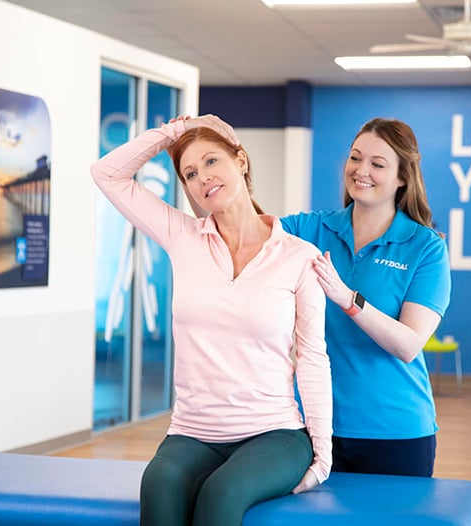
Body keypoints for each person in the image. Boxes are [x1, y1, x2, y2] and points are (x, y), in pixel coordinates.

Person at [90, 114, 332, 526]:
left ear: (241, 160)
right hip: (192, 431)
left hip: (273, 432)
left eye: (212, 161)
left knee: (221, 494)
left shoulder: (298, 256)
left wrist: (322, 450)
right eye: (190, 173)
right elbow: (107, 174)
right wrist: (170, 133)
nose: (202, 177)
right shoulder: (182, 238)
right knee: (159, 483)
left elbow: (312, 357)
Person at [280, 117, 451, 478]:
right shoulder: (310, 229)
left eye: (377, 164)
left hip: (394, 433)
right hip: (312, 425)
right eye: (356, 158)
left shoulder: (426, 247)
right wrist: (211, 165)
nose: (361, 171)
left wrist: (347, 299)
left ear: (403, 177)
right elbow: (236, 229)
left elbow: (408, 344)